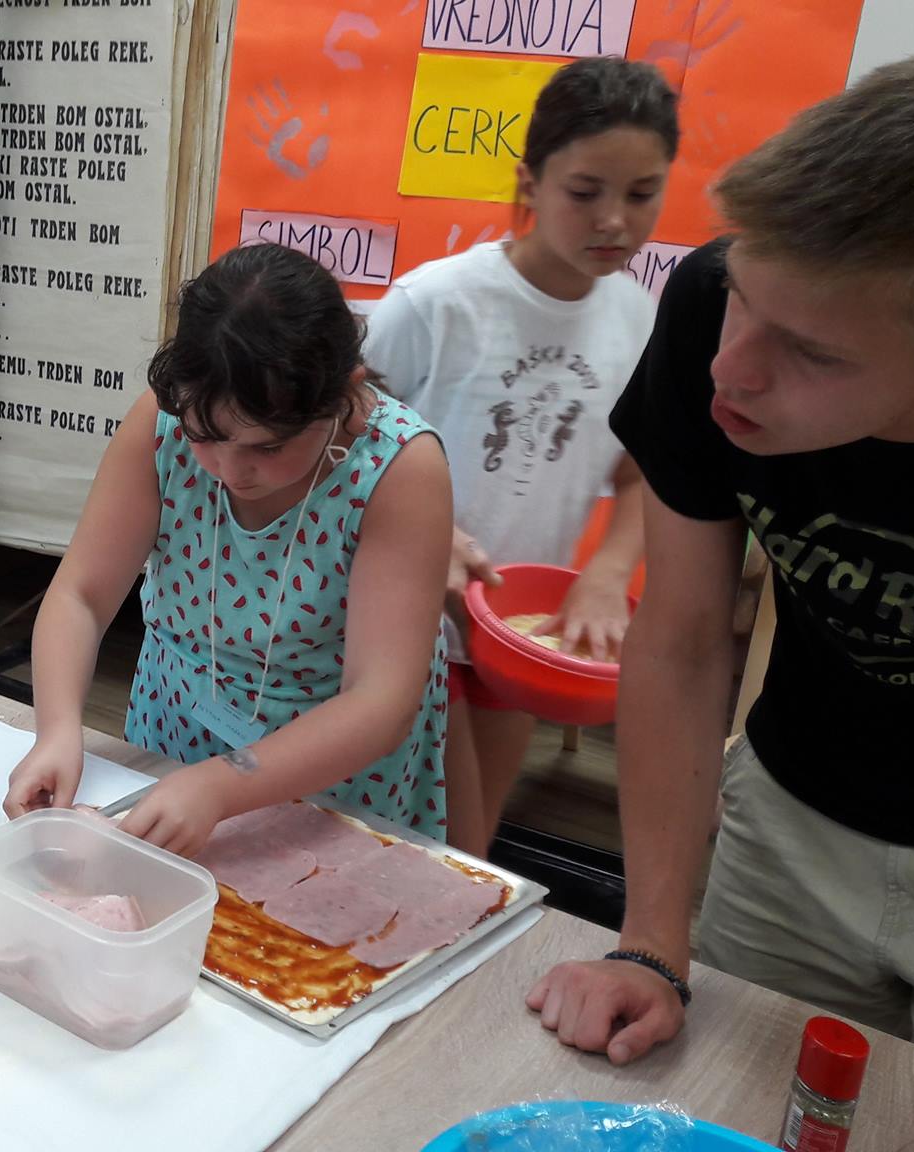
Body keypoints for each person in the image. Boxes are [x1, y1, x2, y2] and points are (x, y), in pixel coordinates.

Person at [529, 46, 914, 1071]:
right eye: (742, 296)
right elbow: (682, 639)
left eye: (811, 352)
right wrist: (650, 943)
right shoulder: (706, 308)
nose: (729, 371)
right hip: (790, 820)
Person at [4, 242, 453, 855]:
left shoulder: (397, 468)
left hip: (328, 762)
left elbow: (380, 700)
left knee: (304, 903)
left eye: (269, 447)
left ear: (342, 392)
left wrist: (221, 785)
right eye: (206, 436)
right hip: (177, 721)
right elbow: (82, 594)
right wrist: (57, 730)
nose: (231, 470)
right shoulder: (162, 422)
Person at [364, 56, 679, 853]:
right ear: (530, 184)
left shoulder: (639, 320)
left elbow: (639, 473)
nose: (616, 221)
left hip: (514, 637)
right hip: (396, 623)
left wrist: (608, 572)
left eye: (642, 194)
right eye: (586, 192)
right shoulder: (436, 304)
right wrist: (428, 537)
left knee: (468, 850)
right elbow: (338, 438)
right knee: (404, 838)